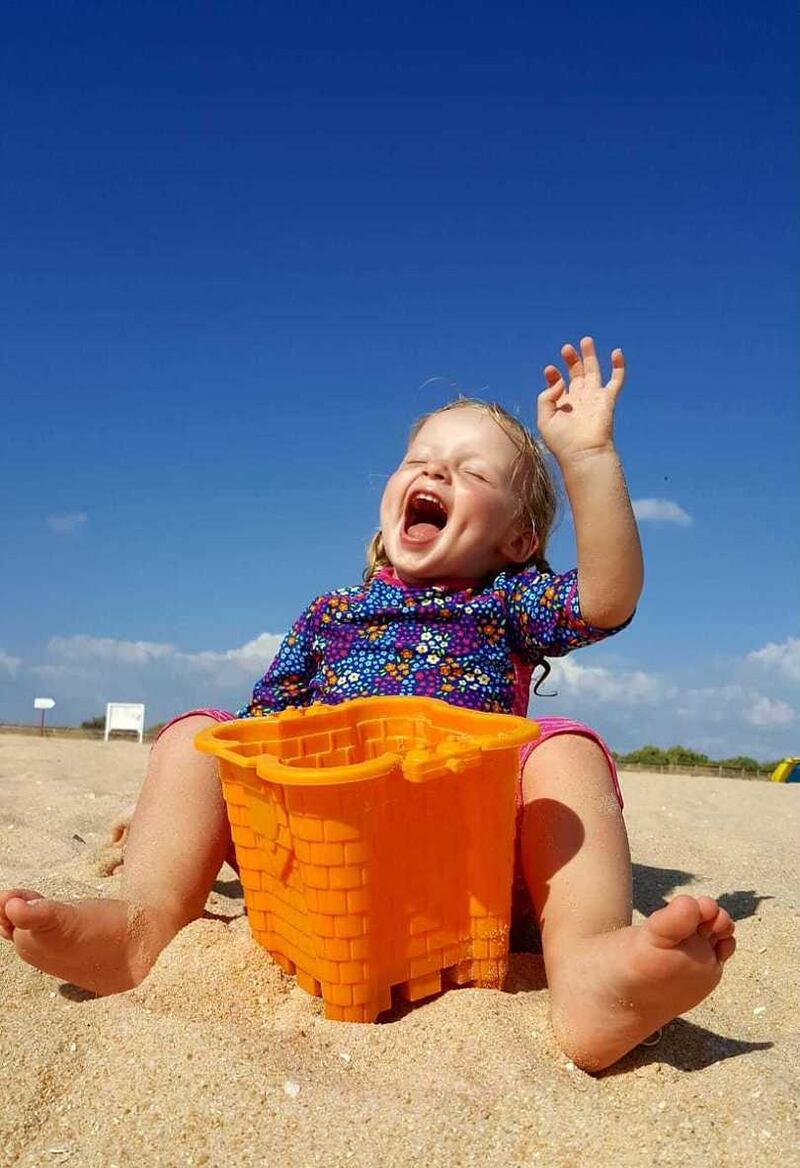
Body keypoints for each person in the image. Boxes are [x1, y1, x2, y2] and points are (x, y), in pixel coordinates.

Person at [1, 337, 735, 1071]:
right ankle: (145, 923)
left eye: (471, 470)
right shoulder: (332, 613)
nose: (436, 470)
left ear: (518, 539)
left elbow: (607, 600)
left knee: (565, 748)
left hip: (472, 873)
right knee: (200, 733)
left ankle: (585, 969)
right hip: (322, 863)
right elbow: (263, 731)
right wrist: (174, 811)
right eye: (420, 459)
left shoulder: (505, 603)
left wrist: (588, 457)